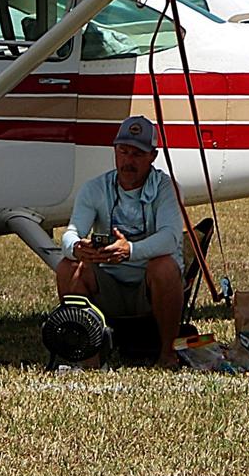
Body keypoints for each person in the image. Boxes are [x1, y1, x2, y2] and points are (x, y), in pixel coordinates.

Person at [56, 115, 185, 367]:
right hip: (108, 282)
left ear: (152, 156)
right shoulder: (94, 188)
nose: (128, 161)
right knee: (66, 268)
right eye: (123, 152)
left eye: (137, 154)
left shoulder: (165, 187)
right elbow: (70, 233)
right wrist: (78, 248)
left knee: (165, 267)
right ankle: (87, 355)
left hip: (148, 286)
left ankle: (167, 353)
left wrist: (130, 250)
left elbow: (170, 238)